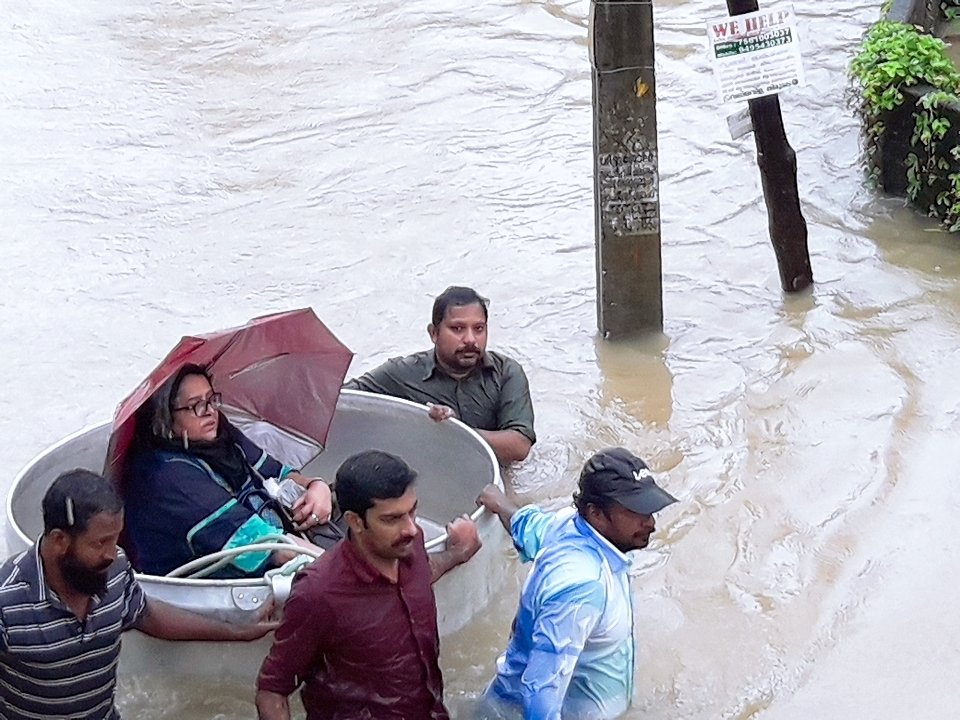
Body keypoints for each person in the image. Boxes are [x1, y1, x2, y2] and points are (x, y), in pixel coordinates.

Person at [0, 469, 276, 720]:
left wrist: (237, 629)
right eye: (99, 543)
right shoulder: (7, 600)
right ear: (60, 540)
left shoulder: (116, 568)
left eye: (115, 539)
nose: (111, 553)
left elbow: (145, 613)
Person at [255, 449, 482, 720]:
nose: (410, 528)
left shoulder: (410, 543)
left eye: (412, 511)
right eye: (392, 519)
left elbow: (422, 574)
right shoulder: (318, 593)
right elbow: (272, 689)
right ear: (355, 521)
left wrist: (457, 554)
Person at [476, 448, 678, 720]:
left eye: (650, 510)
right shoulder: (581, 588)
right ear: (596, 514)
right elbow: (541, 691)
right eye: (636, 511)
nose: (650, 523)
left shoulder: (565, 525)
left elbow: (528, 525)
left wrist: (499, 502)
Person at [124, 363, 333, 577]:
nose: (210, 412)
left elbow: (278, 473)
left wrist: (317, 486)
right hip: (221, 590)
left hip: (283, 544)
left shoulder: (218, 435)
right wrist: (338, 569)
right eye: (195, 405)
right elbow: (267, 545)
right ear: (165, 416)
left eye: (211, 399)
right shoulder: (165, 475)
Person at [344, 286, 535, 465]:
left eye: (479, 329)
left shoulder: (506, 373)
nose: (470, 339)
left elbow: (519, 446)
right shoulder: (402, 372)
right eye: (458, 329)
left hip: (492, 475)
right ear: (434, 333)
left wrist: (454, 429)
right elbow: (344, 399)